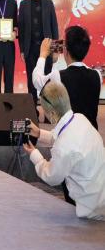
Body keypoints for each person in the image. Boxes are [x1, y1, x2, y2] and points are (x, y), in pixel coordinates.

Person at [23, 82, 105, 220]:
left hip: (92, 207)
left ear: (52, 113)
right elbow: (63, 136)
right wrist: (39, 133)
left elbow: (52, 176)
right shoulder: (80, 118)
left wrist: (34, 155)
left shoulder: (64, 146)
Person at [33, 27, 101, 129]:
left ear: (65, 49)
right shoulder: (97, 75)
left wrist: (42, 55)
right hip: (91, 134)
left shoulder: (58, 76)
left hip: (68, 134)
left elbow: (36, 80)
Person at [19, 0, 58, 107]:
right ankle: (33, 111)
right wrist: (22, 50)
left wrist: (56, 50)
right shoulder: (23, 5)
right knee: (31, 82)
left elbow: (54, 27)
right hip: (30, 49)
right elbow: (21, 30)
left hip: (47, 49)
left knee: (47, 81)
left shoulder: (48, 3)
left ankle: (48, 113)